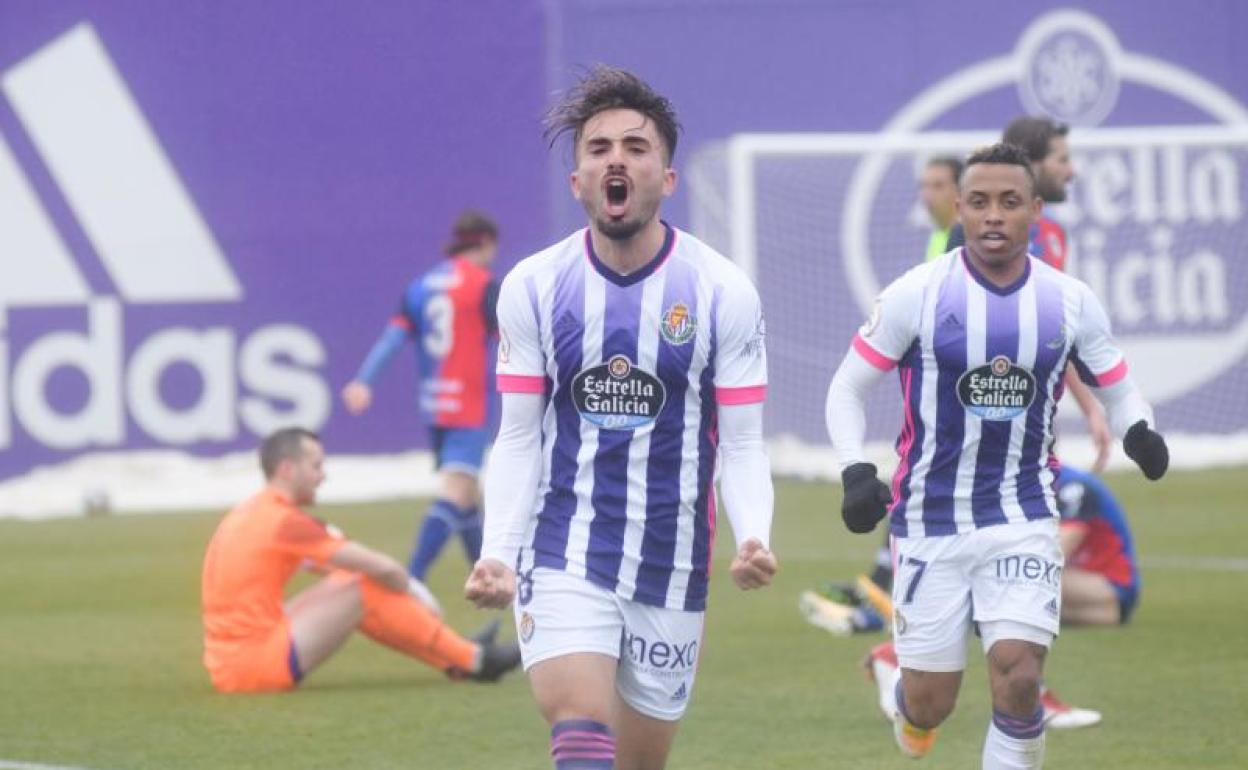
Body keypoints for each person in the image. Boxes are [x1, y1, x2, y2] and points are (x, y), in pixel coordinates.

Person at [463, 66, 778, 770]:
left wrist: (754, 534)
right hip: (565, 544)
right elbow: (517, 436)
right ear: (578, 180)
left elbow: (744, 442)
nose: (617, 158)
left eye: (636, 147)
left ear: (667, 178)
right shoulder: (535, 287)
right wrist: (497, 550)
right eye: (599, 147)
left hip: (672, 561)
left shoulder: (722, 290)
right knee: (578, 727)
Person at [825, 143, 1169, 767]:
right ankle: (900, 694)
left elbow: (1117, 382)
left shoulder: (1069, 301)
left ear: (1035, 210)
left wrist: (1139, 429)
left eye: (1009, 202)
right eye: (979, 202)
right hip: (929, 522)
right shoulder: (917, 294)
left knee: (1017, 676)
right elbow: (847, 386)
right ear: (959, 207)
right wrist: (855, 471)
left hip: (1023, 516)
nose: (993, 216)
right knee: (932, 702)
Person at [201, 427, 520, 693]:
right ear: (287, 469)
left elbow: (337, 567)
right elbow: (383, 568)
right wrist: (416, 592)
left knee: (354, 584)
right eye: (315, 466)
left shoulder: (253, 511)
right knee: (360, 585)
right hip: (252, 666)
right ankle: (472, 659)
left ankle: (458, 657)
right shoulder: (285, 522)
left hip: (228, 664)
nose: (322, 476)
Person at [848, 464, 1141, 730]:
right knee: (1009, 595)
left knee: (1015, 594)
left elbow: (1060, 549)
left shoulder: (1072, 486)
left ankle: (895, 653)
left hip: (1108, 590)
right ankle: (1036, 695)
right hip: (1089, 589)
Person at [342, 211, 500, 582]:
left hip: (434, 405)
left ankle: (490, 581)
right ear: (486, 243)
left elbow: (392, 338)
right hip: (469, 406)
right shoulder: (483, 285)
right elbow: (512, 338)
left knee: (467, 494)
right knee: (457, 492)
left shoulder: (421, 285)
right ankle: (411, 581)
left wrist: (363, 380)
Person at [950, 116, 1113, 472]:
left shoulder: (1044, 231)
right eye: (1061, 159)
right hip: (990, 406)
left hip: (1013, 400)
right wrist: (1091, 409)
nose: (1070, 172)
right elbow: (1049, 328)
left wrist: (1090, 408)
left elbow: (1052, 328)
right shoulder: (1024, 234)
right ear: (1032, 163)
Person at [920, 156, 963, 261]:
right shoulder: (936, 236)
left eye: (938, 186)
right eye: (924, 185)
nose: (928, 194)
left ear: (959, 191)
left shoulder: (967, 240)